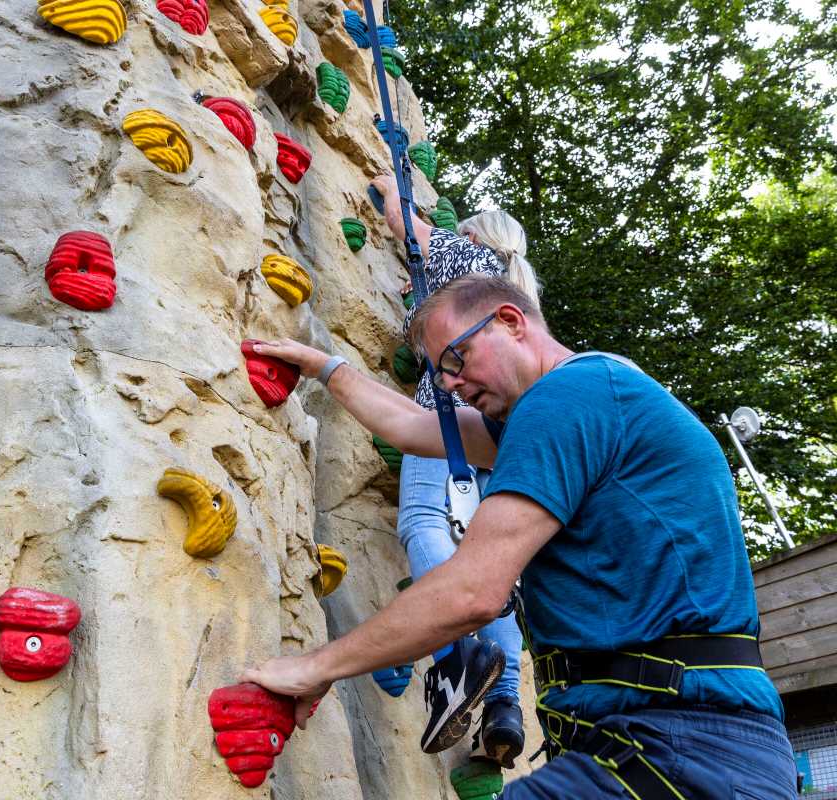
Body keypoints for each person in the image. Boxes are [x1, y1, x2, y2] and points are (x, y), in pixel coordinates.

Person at [242, 275, 795, 798]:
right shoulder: (589, 403)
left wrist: (313, 669)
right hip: (673, 747)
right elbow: (413, 428)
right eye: (440, 374)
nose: (451, 383)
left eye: (456, 359)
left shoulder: (568, 396)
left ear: (510, 321)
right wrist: (325, 366)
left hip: (677, 747)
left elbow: (471, 594)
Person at [371, 174, 532, 765]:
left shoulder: (468, 259)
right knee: (492, 560)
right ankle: (505, 702)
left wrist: (389, 186)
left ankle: (459, 656)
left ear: (476, 236)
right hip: (506, 429)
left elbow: (407, 231)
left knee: (423, 521)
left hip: (453, 409)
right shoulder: (517, 290)